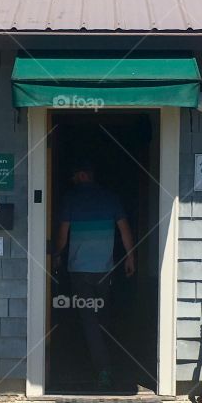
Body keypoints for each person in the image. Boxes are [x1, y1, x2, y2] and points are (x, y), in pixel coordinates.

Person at [54, 160, 136, 391]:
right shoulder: (111, 198)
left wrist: (56, 254)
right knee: (102, 316)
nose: (71, 180)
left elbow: (62, 235)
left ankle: (103, 369)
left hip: (80, 271)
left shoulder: (70, 199)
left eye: (73, 176)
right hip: (104, 270)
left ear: (82, 175)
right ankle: (106, 357)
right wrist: (131, 257)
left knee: (89, 319)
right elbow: (125, 229)